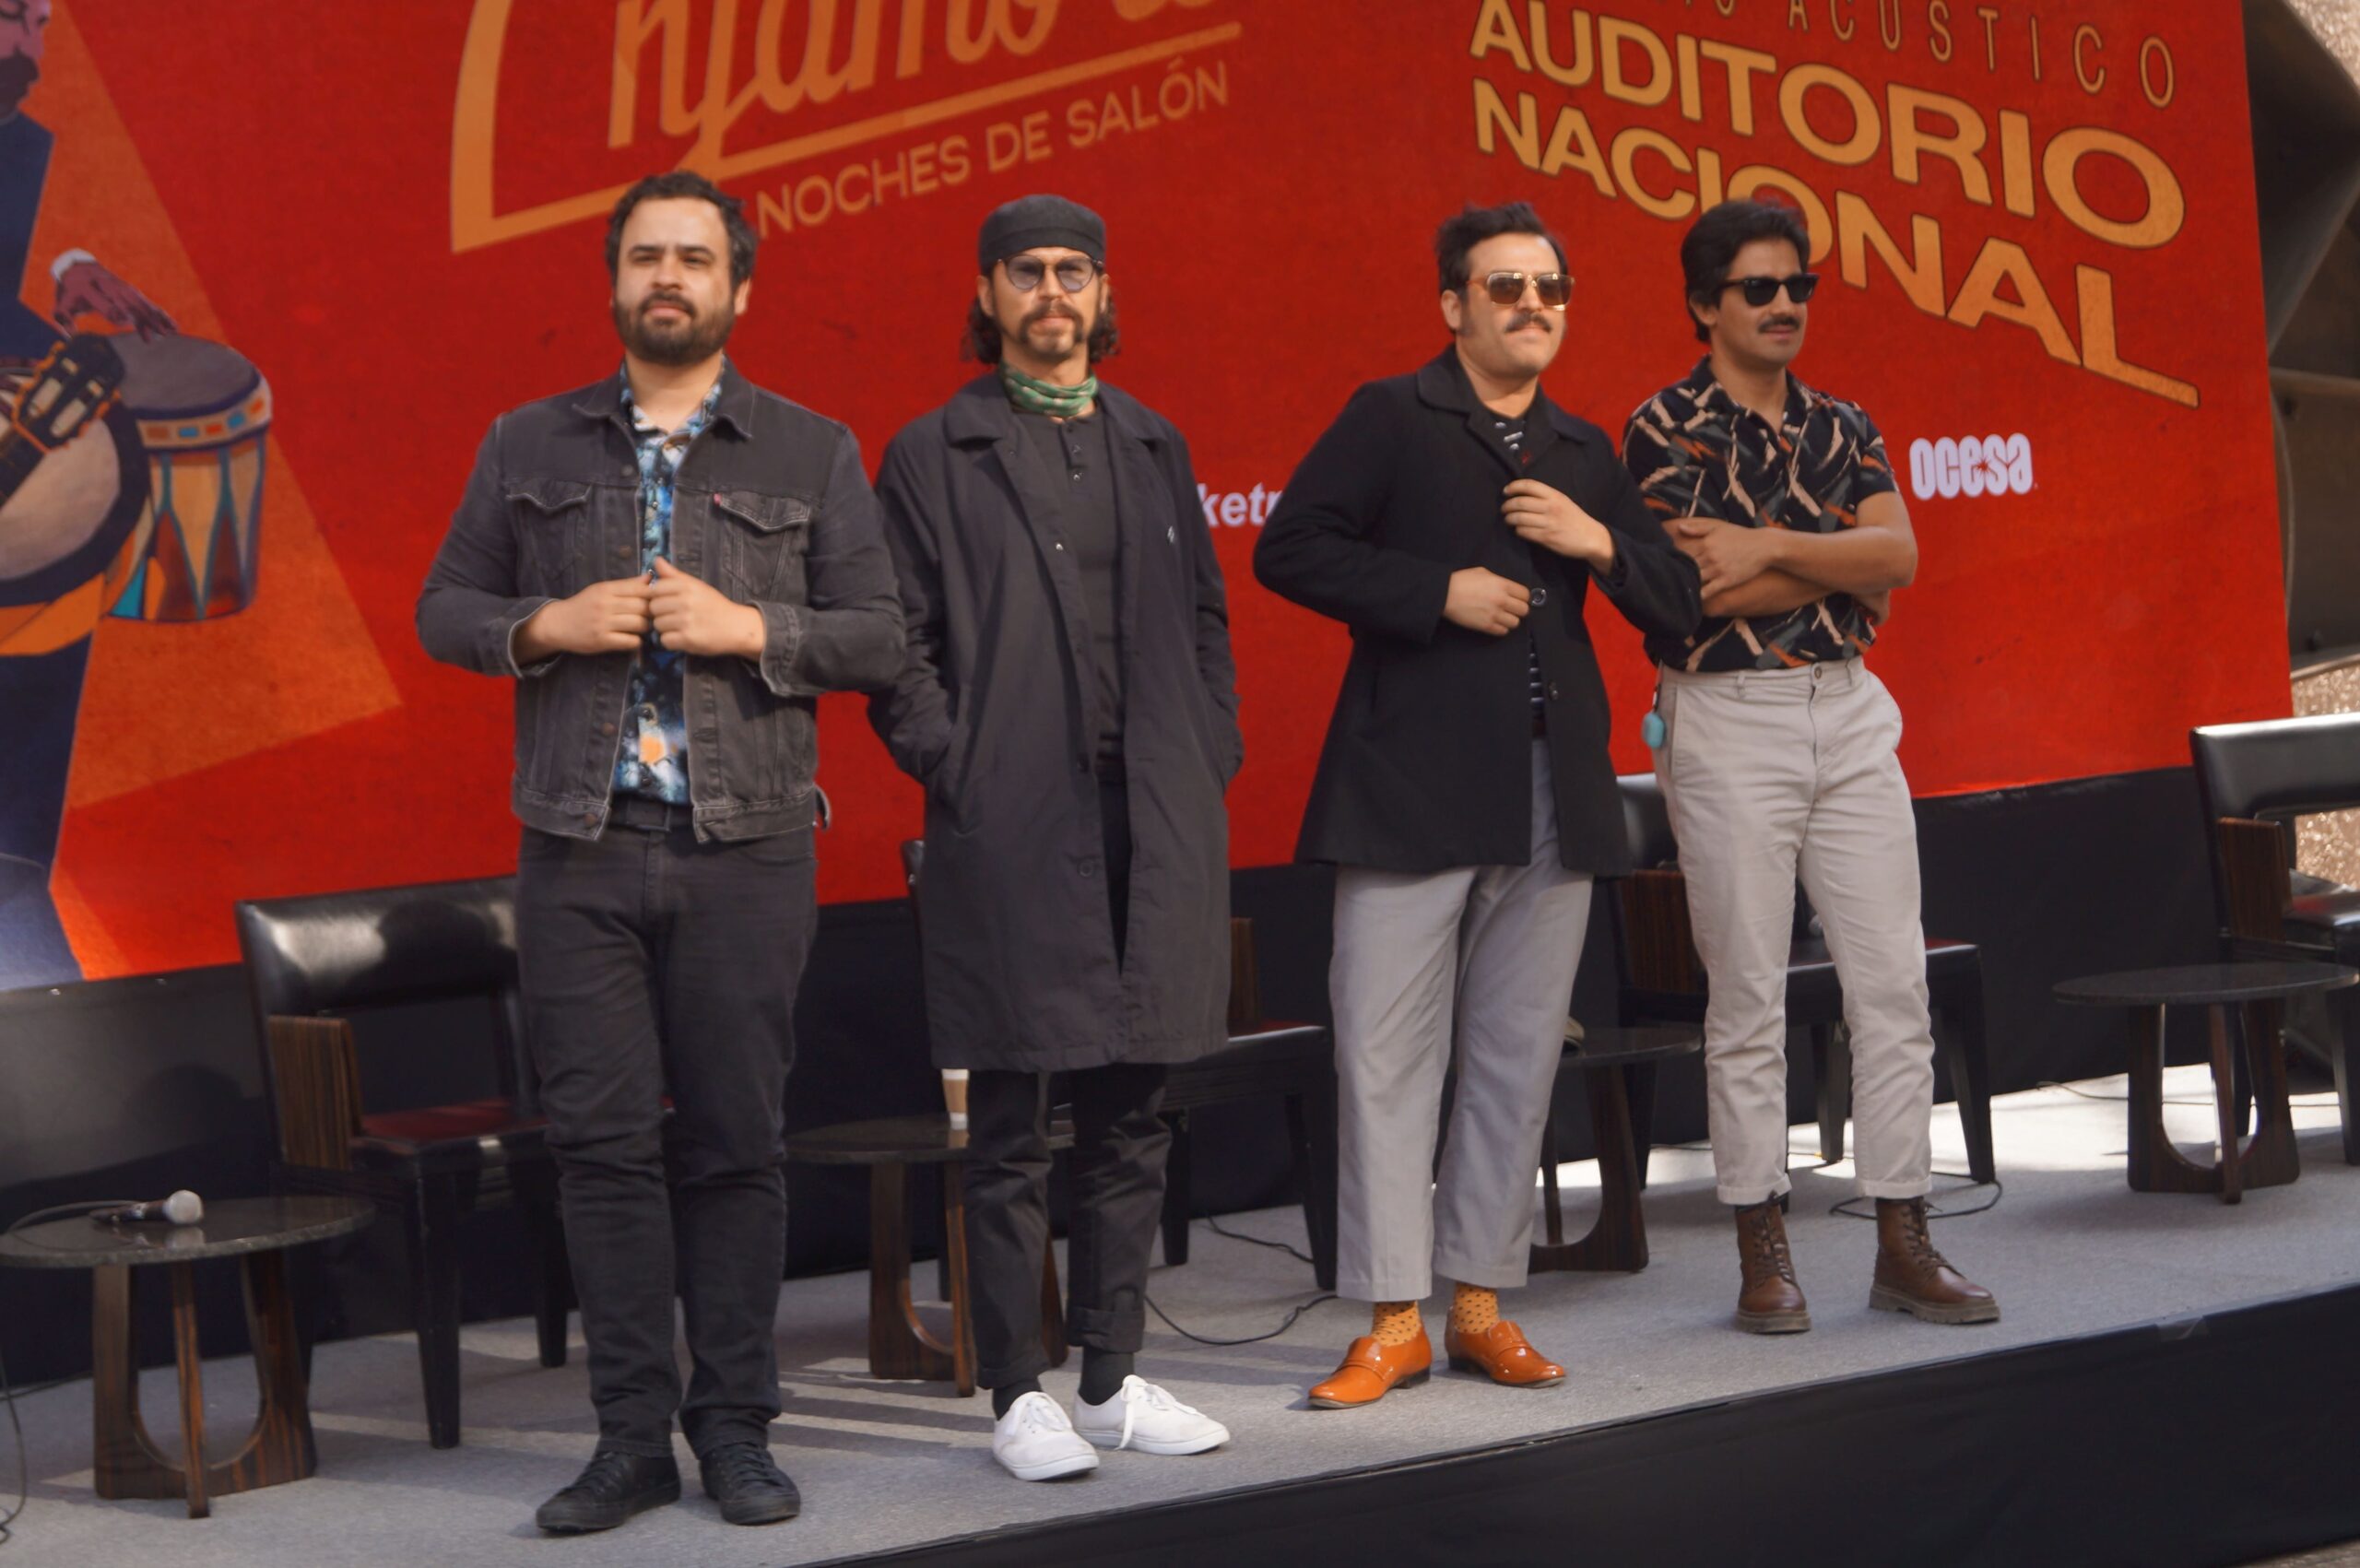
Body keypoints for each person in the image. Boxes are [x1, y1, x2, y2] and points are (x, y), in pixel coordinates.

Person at [416, 171, 903, 1532]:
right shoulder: (527, 439)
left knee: (738, 1146)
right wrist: (544, 627)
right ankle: (630, 1440)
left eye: (694, 257)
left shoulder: (811, 448)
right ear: (616, 281)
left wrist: (752, 631)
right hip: (578, 848)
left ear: (739, 287)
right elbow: (444, 606)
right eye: (646, 257)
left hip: (747, 849)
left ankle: (734, 1428)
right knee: (602, 1152)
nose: (668, 277)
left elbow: (881, 635)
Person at [1255, 202, 1700, 1410]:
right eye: (1505, 287)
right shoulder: (1392, 415)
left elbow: (1675, 600)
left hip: (1553, 792)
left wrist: (1597, 539)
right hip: (1408, 786)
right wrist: (1432, 592)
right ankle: (1393, 1320)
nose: (1531, 306)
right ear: (1453, 306)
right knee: (1386, 1054)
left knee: (1515, 1057)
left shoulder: (1581, 448)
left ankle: (1478, 1308)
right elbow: (1289, 549)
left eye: (1550, 289)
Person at [867, 194, 1241, 1480]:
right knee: (1013, 1122)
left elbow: (1205, 616)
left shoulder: (1151, 440)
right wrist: (955, 762)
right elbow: (896, 641)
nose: (1051, 291)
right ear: (988, 295)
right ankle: (1017, 1394)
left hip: (1156, 809)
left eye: (1073, 270)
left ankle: (1113, 1375)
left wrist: (1208, 749)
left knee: (1135, 1111)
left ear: (1102, 291)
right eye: (1025, 271)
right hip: (1015, 815)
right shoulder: (935, 451)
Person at [1622, 198, 1996, 1334]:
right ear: (1705, 305)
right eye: (1759, 288)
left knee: (1892, 985)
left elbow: (1900, 556)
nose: (1784, 304)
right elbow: (1700, 593)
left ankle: (1902, 1239)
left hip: (1850, 707)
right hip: (1726, 717)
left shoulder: (1842, 423)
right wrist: (1840, 560)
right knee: (1746, 994)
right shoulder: (1662, 428)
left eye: (1798, 286)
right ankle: (1762, 1247)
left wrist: (1774, 545)